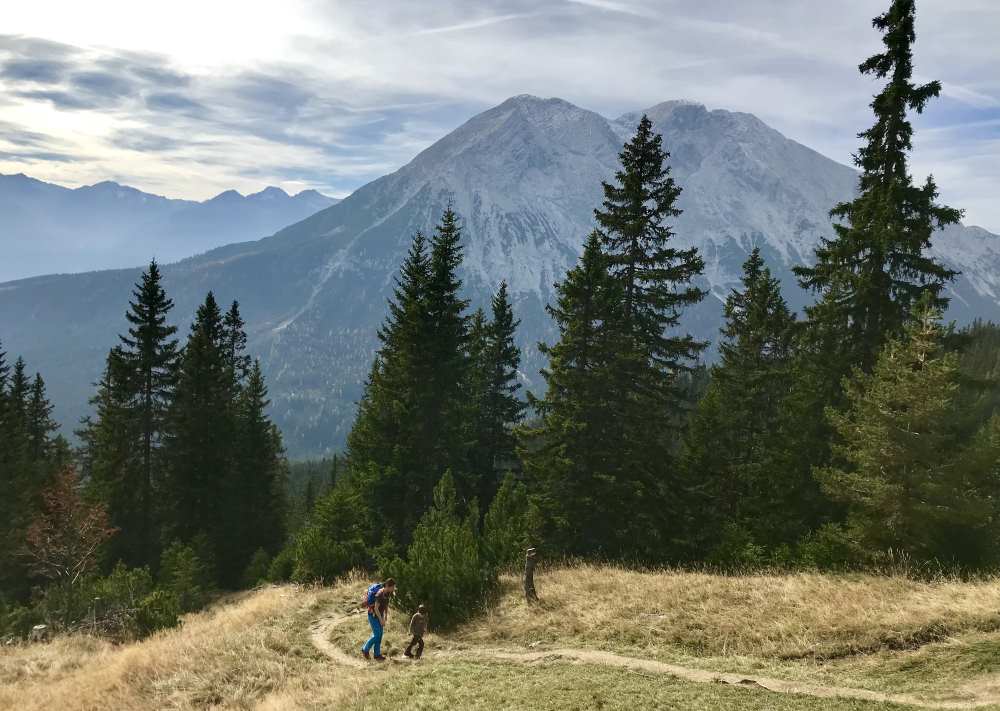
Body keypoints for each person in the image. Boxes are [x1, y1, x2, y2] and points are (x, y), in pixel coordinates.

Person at [361, 578, 395, 661]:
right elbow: (376, 608)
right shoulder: (380, 594)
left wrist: (386, 616)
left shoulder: (388, 593)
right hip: (373, 615)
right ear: (387, 586)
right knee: (377, 635)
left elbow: (386, 604)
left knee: (379, 635)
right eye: (393, 587)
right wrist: (381, 620)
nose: (394, 588)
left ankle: (377, 654)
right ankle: (365, 649)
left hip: (379, 615)